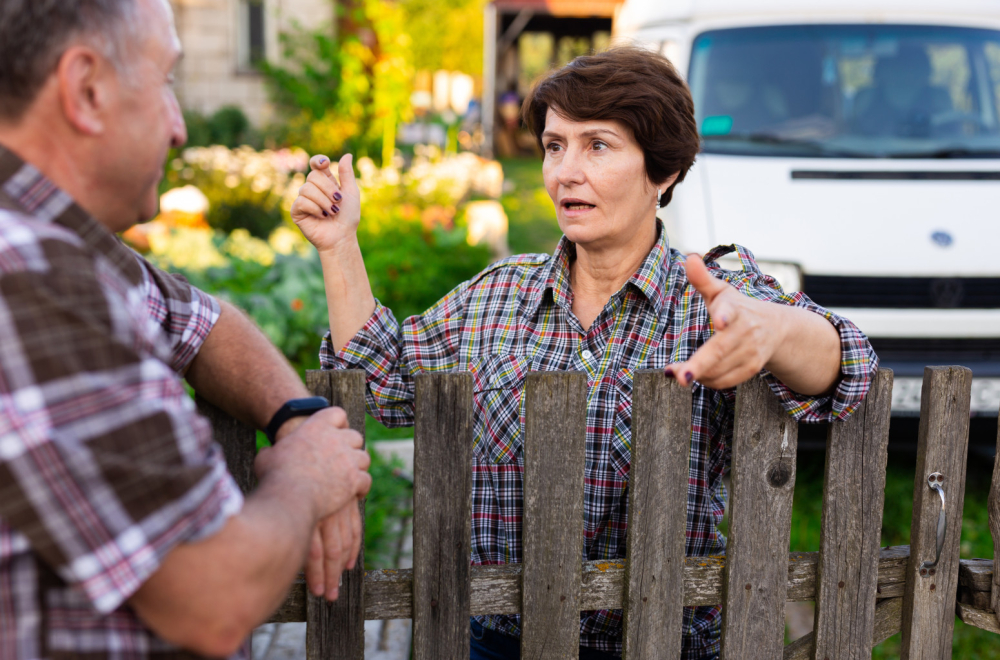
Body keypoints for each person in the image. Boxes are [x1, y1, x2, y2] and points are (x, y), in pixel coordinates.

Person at [293, 47, 877, 659]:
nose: (565, 171)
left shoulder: (711, 294)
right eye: (554, 146)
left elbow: (849, 368)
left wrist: (775, 332)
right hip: (497, 638)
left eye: (597, 145)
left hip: (660, 639)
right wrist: (338, 246)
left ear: (663, 171)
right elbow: (384, 380)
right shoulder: (497, 294)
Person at [0, 1, 371, 658]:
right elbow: (212, 599)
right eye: (166, 80)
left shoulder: (62, 243)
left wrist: (298, 414)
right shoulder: (30, 275)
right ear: (87, 90)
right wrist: (307, 478)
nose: (178, 127)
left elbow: (200, 321)